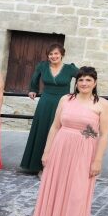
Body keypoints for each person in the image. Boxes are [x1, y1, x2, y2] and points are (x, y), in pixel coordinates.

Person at [30, 67, 108, 216]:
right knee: (55, 188)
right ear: (76, 82)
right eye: (81, 80)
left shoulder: (102, 104)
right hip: (60, 148)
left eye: (88, 80)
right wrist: (46, 152)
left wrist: (98, 160)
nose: (84, 83)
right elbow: (55, 126)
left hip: (84, 151)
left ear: (95, 83)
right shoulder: (65, 99)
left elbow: (104, 134)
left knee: (77, 193)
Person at [21, 44, 79, 174]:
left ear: (62, 55)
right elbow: (35, 78)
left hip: (63, 102)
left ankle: (57, 167)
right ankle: (40, 167)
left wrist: (79, 94)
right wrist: (33, 89)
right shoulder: (43, 66)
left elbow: (83, 78)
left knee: (59, 133)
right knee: (42, 131)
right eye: (51, 54)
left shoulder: (70, 68)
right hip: (45, 102)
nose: (53, 56)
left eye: (56, 53)